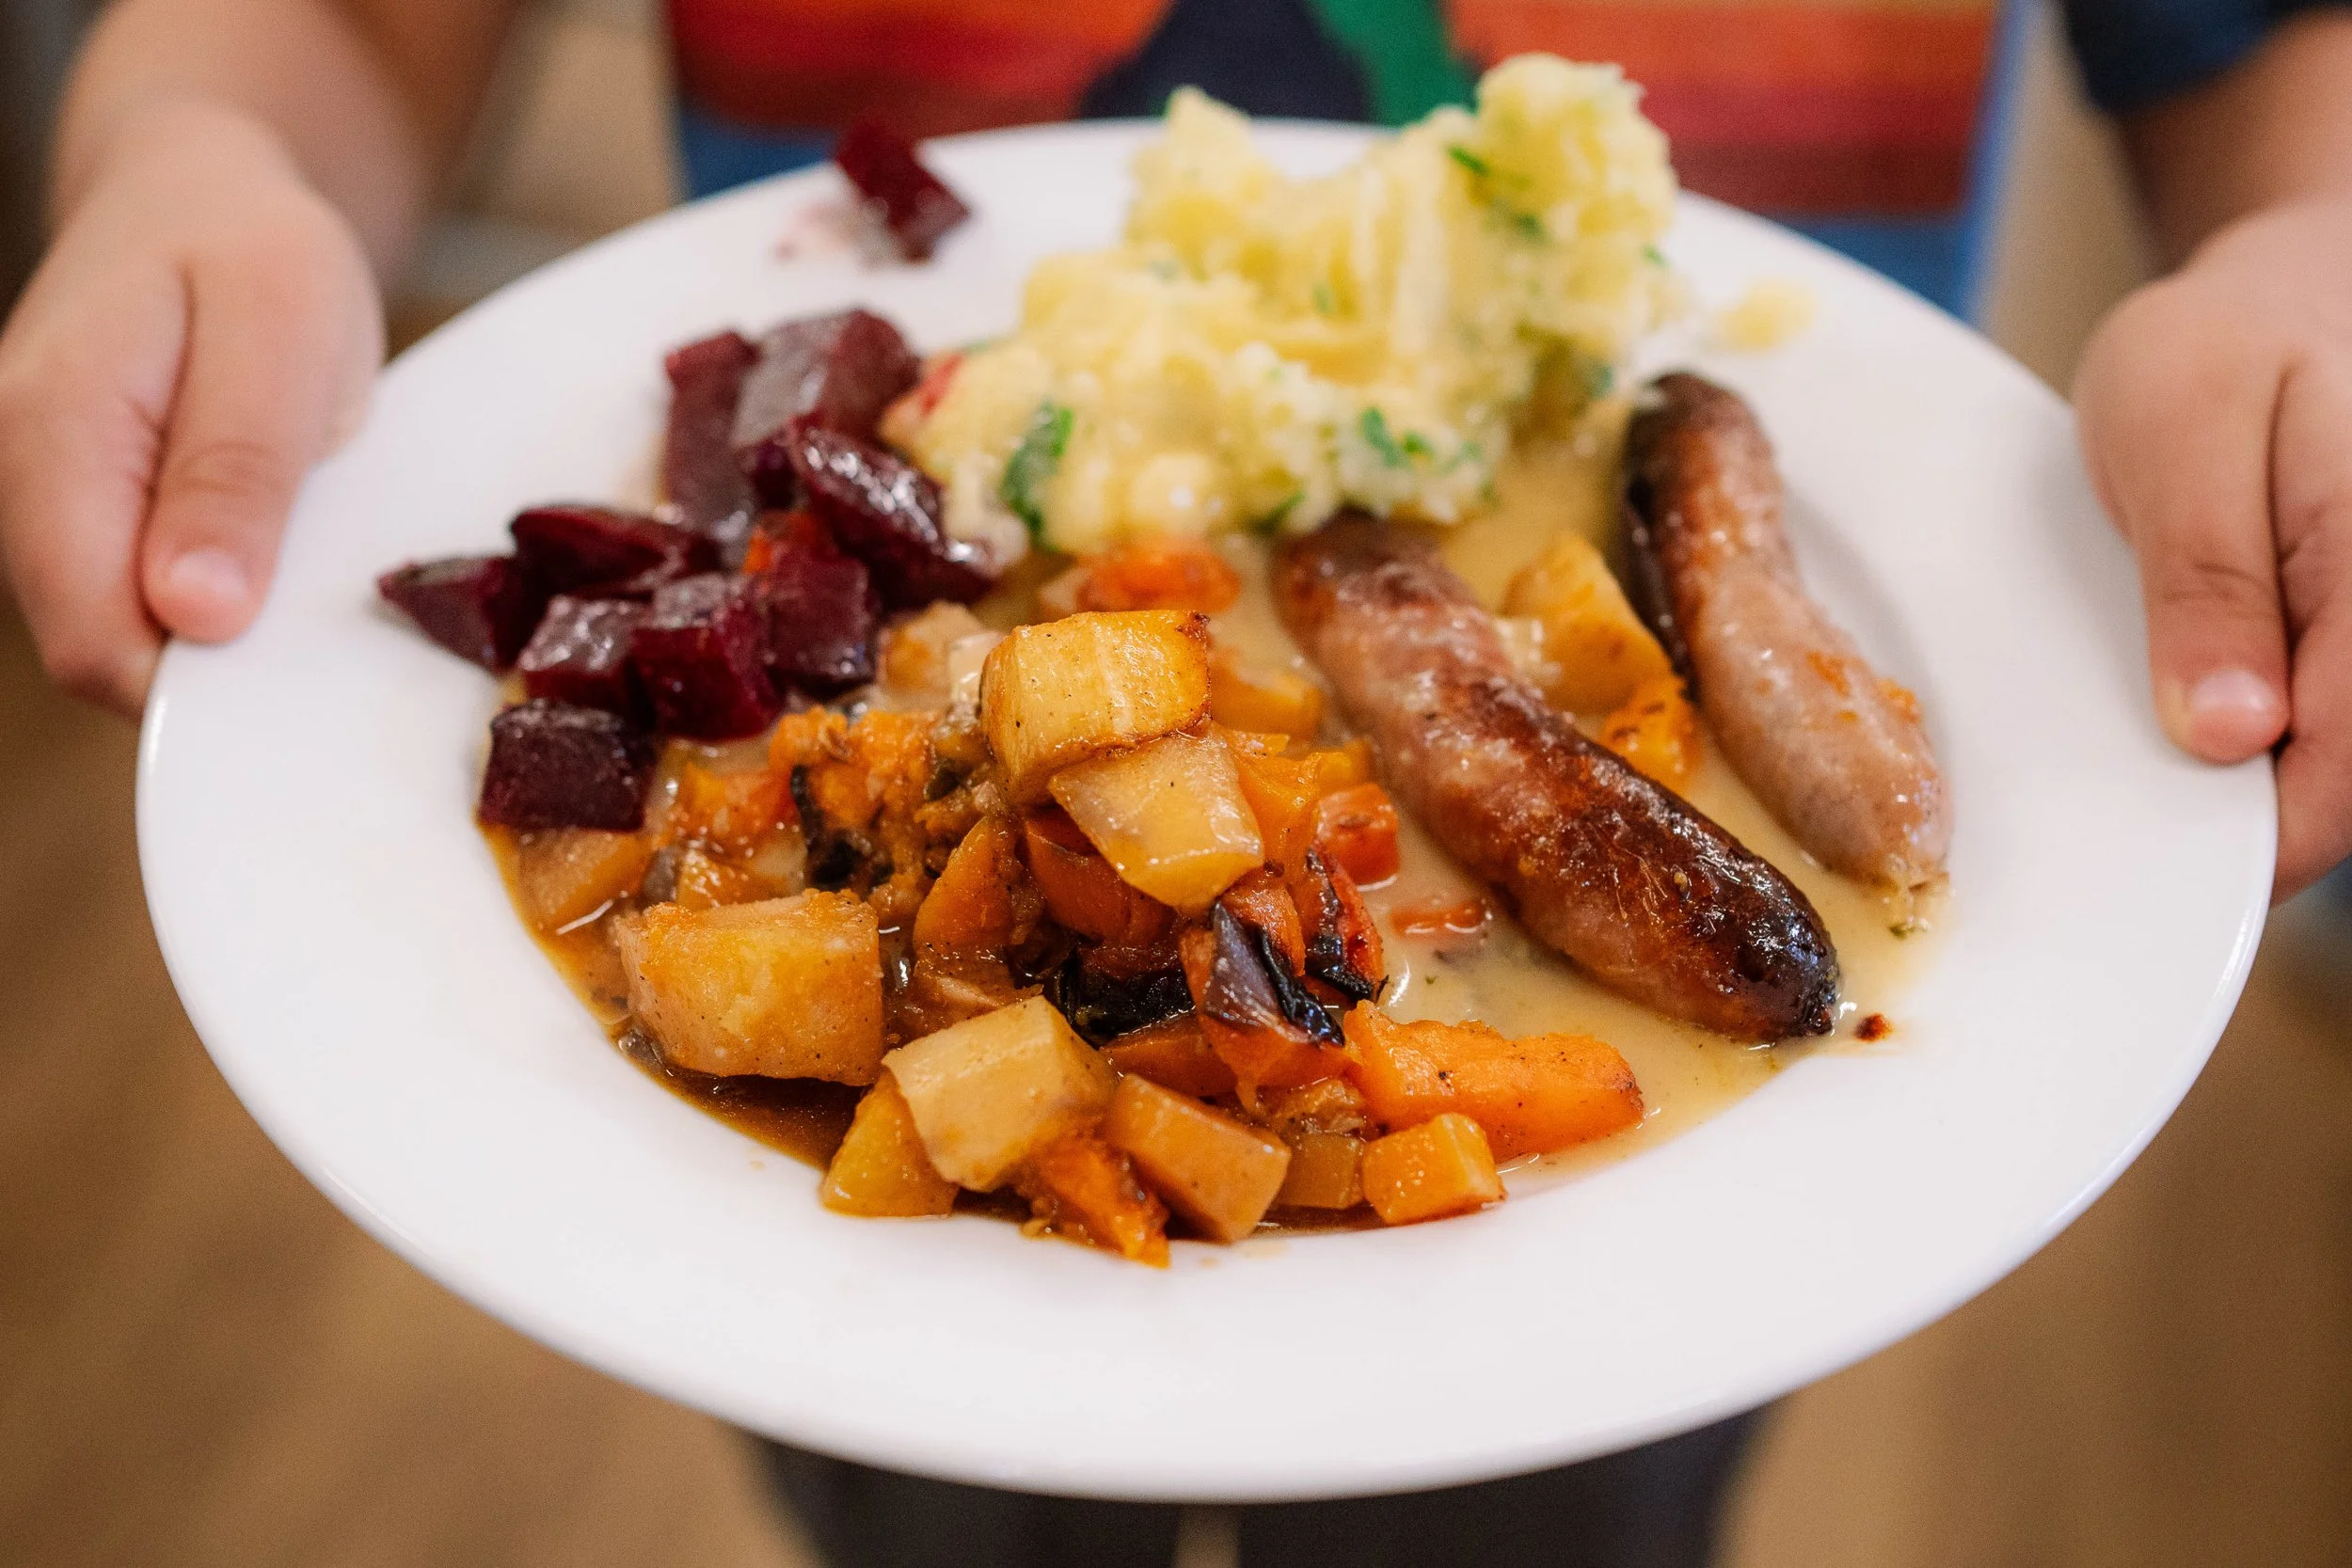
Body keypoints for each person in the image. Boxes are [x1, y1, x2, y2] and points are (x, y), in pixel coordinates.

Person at [0, 2, 2344, 1564]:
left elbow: (2261, 50)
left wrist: (2307, 238)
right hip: (849, 1314)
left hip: (1652, 1300)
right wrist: (204, 141)